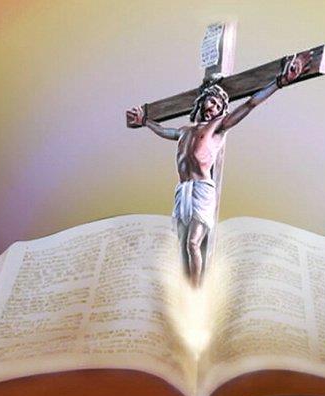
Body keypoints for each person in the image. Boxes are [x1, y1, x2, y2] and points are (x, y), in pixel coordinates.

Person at [126, 53, 311, 288]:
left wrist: (279, 82)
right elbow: (164, 131)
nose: (211, 107)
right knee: (181, 244)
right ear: (202, 102)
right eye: (209, 102)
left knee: (193, 243)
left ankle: (195, 290)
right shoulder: (185, 130)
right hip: (183, 190)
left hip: (201, 189)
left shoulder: (218, 127)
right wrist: (145, 122)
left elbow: (250, 104)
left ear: (221, 109)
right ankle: (183, 287)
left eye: (216, 105)